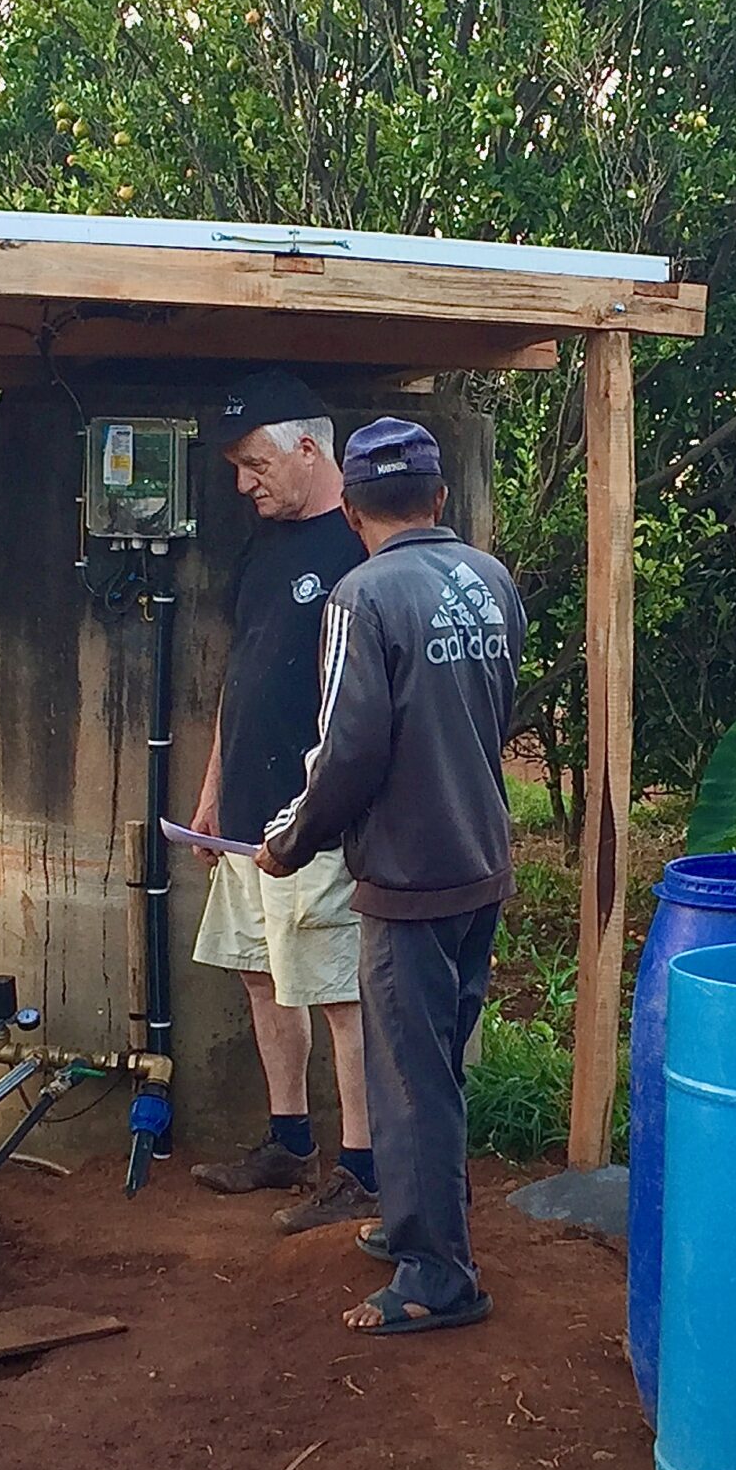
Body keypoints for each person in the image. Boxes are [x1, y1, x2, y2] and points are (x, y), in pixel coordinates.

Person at [259, 417, 525, 1335]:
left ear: (353, 512)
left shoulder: (361, 596)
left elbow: (348, 749)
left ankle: (436, 1276)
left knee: (408, 1077)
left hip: (408, 875)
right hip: (480, 860)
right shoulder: (491, 580)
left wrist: (291, 840)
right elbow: (492, 713)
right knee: (435, 1067)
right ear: (439, 498)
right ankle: (422, 1225)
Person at [186, 371, 381, 1234]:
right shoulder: (262, 547)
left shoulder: (359, 547)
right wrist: (212, 791)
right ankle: (289, 1139)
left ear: (309, 448)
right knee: (260, 975)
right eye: (236, 466)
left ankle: (362, 1168)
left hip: (317, 820)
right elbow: (243, 676)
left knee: (338, 990)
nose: (242, 484)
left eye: (254, 464)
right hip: (246, 815)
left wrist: (324, 807)